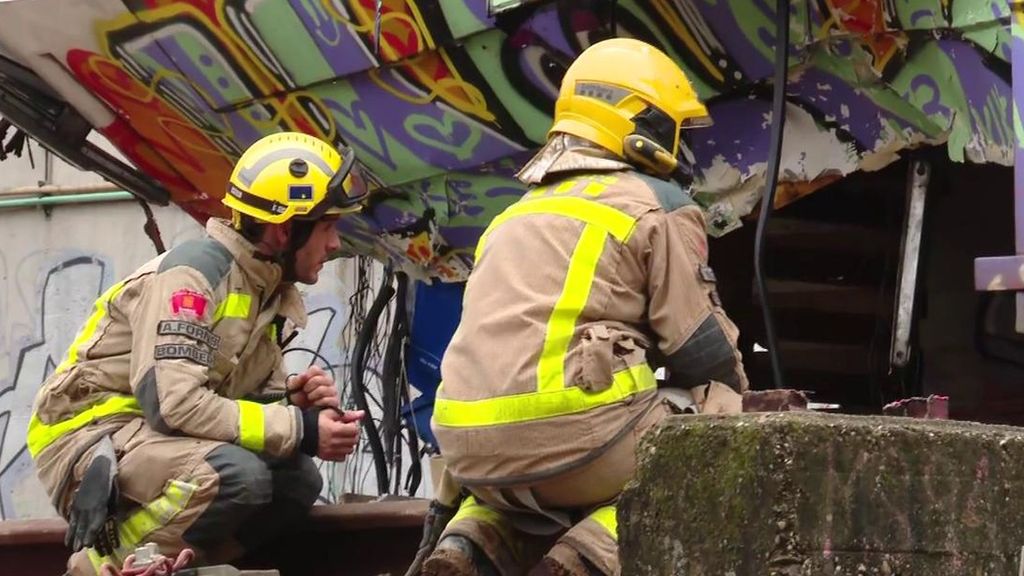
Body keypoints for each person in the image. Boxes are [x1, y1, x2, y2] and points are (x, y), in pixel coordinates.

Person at [417, 38, 749, 576]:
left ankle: (470, 544)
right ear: (641, 125)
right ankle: (586, 558)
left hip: (467, 451)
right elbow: (700, 346)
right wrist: (741, 396)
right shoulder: (656, 205)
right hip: (575, 442)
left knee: (521, 479)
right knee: (712, 430)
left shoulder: (511, 215)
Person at [27, 132, 370, 575]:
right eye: (328, 227)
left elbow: (225, 402)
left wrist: (290, 401)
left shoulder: (263, 289)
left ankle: (181, 565)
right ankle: (97, 565)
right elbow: (173, 405)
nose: (335, 244)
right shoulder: (193, 279)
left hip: (148, 435)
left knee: (295, 481)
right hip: (89, 437)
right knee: (235, 477)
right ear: (285, 228)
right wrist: (298, 427)